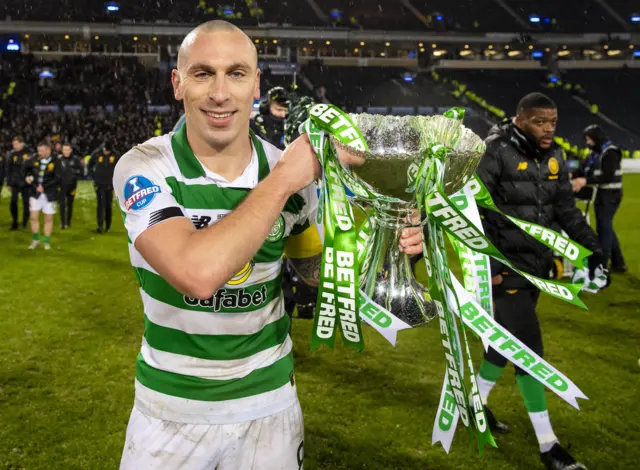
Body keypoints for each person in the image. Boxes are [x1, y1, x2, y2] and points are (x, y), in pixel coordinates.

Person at [114, 20, 422, 470]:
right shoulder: (145, 167)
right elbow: (195, 274)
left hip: (269, 406)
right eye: (203, 74)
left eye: (237, 74)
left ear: (256, 85)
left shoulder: (285, 171)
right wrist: (281, 182)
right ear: (177, 83)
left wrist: (393, 254)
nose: (221, 93)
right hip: (170, 411)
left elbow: (320, 274)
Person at [476, 93, 605, 470]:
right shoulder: (495, 152)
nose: (549, 129)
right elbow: (473, 211)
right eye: (539, 122)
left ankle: (474, 407)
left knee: (503, 345)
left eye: (553, 121)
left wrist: (592, 248)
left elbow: (564, 208)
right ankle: (549, 446)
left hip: (538, 269)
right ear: (520, 119)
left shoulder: (555, 156)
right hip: (505, 269)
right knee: (529, 352)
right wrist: (489, 267)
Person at [571, 125, 626, 273]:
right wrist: (572, 176)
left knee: (604, 229)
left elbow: (607, 176)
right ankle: (619, 263)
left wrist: (585, 181)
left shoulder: (611, 152)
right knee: (606, 227)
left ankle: (602, 267)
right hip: (601, 195)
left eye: (590, 139)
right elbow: (583, 169)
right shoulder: (594, 153)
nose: (588, 143)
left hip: (611, 195)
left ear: (597, 138)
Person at [23, 141, 62, 250]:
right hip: (35, 193)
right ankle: (35, 240)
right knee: (33, 216)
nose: (38, 152)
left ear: (48, 150)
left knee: (48, 218)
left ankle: (46, 241)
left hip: (50, 194)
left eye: (41, 151)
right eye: (38, 150)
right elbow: (25, 169)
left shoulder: (56, 161)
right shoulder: (34, 158)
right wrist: (27, 176)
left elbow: (58, 178)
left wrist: (44, 186)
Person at [88, 142, 118, 233]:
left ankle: (108, 227)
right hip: (99, 184)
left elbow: (120, 167)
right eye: (105, 151)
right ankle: (100, 226)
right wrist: (93, 176)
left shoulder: (116, 155)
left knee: (108, 206)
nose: (106, 153)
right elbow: (89, 164)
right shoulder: (97, 154)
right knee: (100, 205)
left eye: (108, 151)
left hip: (109, 185)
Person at [6, 136, 32, 230]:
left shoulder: (29, 152)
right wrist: (9, 183)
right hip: (15, 182)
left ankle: (25, 221)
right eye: (13, 144)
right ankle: (14, 222)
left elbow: (32, 167)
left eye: (16, 144)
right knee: (13, 201)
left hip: (26, 183)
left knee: (26, 203)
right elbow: (8, 169)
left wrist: (31, 178)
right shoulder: (12, 154)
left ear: (22, 143)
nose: (14, 146)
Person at [58, 142, 84, 229]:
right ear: (62, 150)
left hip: (72, 186)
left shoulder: (76, 159)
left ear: (71, 150)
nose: (66, 151)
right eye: (64, 150)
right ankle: (62, 223)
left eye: (67, 150)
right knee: (62, 204)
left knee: (70, 204)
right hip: (61, 186)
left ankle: (68, 222)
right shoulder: (59, 159)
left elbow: (82, 172)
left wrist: (74, 174)